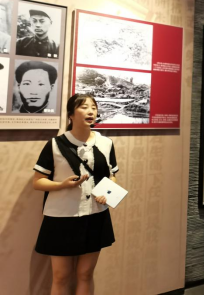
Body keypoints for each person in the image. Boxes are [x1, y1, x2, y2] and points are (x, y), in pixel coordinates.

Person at [33, 93, 119, 295]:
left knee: (85, 274)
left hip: (95, 215)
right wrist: (62, 185)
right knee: (61, 276)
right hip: (61, 217)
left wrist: (107, 194)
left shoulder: (105, 143)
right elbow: (37, 182)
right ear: (71, 114)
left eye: (94, 107)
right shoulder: (55, 144)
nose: (91, 111)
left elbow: (112, 176)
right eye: (84, 107)